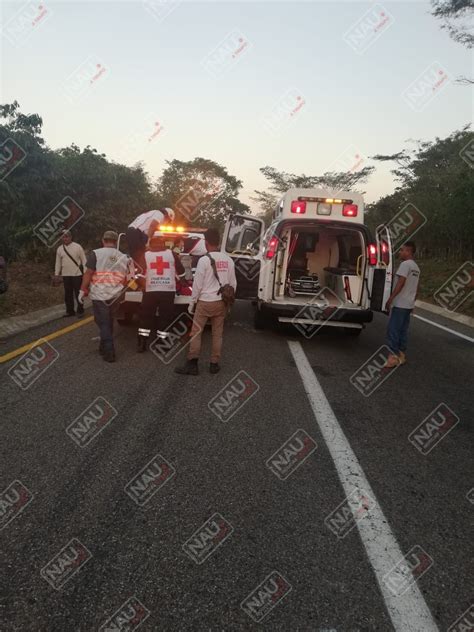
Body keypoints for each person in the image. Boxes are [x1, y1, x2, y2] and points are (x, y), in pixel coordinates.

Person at [175, 228, 236, 375]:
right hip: (221, 302)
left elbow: (197, 284)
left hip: (204, 302)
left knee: (196, 333)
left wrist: (192, 302)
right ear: (219, 241)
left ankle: (192, 364)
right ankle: (214, 364)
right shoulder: (228, 260)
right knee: (217, 334)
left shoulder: (203, 260)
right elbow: (233, 284)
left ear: (206, 242)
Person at [79, 230, 132, 362]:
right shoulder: (123, 257)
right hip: (115, 295)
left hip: (99, 295)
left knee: (102, 322)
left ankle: (109, 351)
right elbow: (127, 278)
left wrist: (82, 289)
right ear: (115, 242)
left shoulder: (96, 254)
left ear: (103, 240)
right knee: (108, 320)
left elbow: (88, 273)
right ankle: (103, 346)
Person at [137, 233, 186, 352]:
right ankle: (161, 344)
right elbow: (182, 271)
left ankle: (142, 343)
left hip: (150, 291)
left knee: (146, 317)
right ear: (163, 245)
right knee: (165, 318)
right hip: (168, 291)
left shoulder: (145, 255)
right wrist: (183, 281)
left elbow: (139, 274)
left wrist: (142, 286)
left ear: (150, 245)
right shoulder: (171, 254)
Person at [385, 241, 420, 368]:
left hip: (400, 303)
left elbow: (401, 283)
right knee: (403, 330)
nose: (400, 252)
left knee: (393, 329)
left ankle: (392, 357)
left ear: (409, 252)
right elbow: (417, 287)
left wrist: (391, 298)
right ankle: (401, 355)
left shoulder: (405, 265)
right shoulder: (416, 267)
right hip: (408, 304)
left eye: (402, 250)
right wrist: (413, 302)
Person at [54, 231, 87, 318]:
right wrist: (57, 274)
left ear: (71, 237)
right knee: (68, 294)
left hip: (77, 274)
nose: (65, 238)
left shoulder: (77, 247)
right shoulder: (59, 249)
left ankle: (80, 310)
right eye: (63, 237)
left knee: (78, 293)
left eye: (67, 237)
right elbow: (58, 263)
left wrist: (85, 273)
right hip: (66, 275)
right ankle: (70, 311)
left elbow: (84, 260)